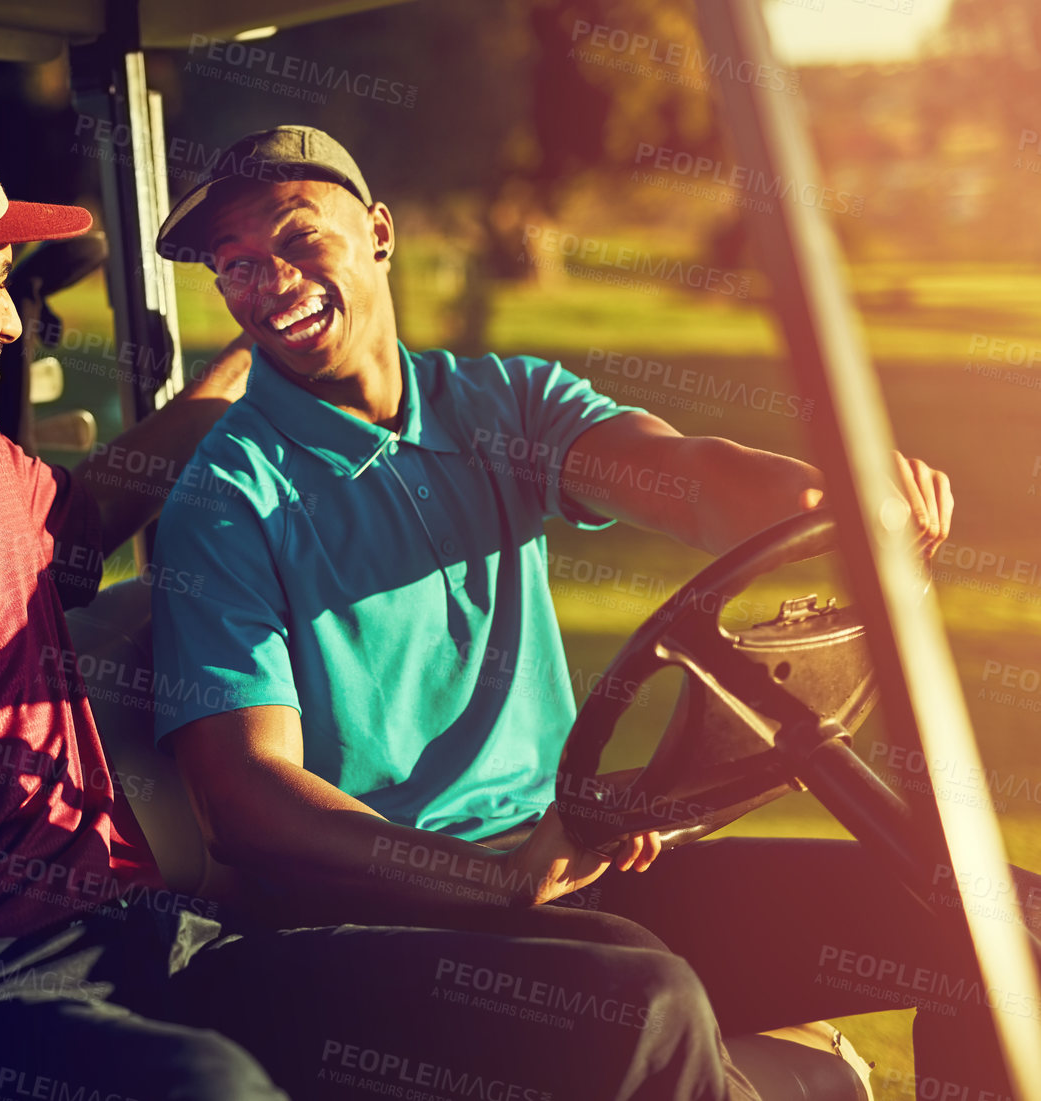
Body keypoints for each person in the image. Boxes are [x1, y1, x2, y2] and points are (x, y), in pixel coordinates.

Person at [0, 99, 751, 1101]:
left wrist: (270, 338)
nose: (11, 322)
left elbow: (112, 495)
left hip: (153, 943)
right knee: (205, 1092)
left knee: (628, 1006)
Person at [148, 123, 1035, 1099]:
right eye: (233, 266)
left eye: (295, 237)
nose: (265, 281)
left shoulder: (503, 404)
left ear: (380, 231)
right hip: (402, 913)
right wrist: (484, 879)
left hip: (573, 856)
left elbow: (686, 478)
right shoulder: (227, 498)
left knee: (994, 916)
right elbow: (248, 800)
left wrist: (835, 503)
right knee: (644, 1008)